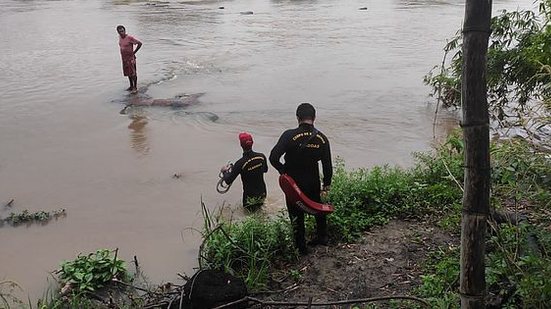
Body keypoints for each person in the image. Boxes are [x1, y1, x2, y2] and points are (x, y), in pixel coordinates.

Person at [270, 103, 332, 255]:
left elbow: (273, 157)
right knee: (318, 208)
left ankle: (301, 247)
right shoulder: (322, 138)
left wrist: (282, 170)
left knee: (296, 213)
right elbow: (327, 165)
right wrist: (326, 185)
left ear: (297, 118)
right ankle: (322, 237)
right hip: (313, 181)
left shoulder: (289, 135)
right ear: (314, 118)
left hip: (293, 183)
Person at [221, 132, 268, 211]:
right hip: (262, 192)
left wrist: (224, 171)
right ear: (252, 143)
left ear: (241, 145)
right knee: (260, 212)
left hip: (249, 197)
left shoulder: (240, 163)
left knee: (249, 215)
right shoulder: (261, 157)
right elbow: (265, 170)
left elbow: (228, 181)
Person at [117, 25, 142, 93]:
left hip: (130, 58)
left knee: (133, 73)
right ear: (118, 33)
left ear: (125, 31)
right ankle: (131, 86)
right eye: (119, 32)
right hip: (124, 58)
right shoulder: (120, 38)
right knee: (128, 73)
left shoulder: (129, 38)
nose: (121, 33)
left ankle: (135, 87)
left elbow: (139, 43)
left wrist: (134, 52)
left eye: (122, 31)